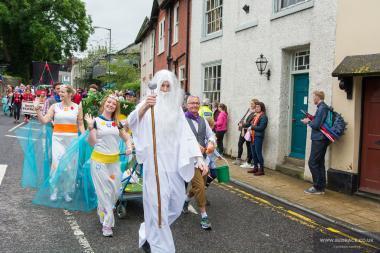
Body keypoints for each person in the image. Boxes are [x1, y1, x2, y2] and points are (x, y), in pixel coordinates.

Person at [128, 70, 207, 253]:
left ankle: (148, 231)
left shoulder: (176, 109)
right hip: (154, 164)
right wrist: (145, 108)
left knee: (177, 204)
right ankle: (161, 248)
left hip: (173, 164)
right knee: (158, 206)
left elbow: (186, 136)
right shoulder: (147, 104)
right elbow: (131, 123)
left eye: (167, 86)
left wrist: (198, 158)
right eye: (162, 85)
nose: (164, 89)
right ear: (156, 85)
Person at [85, 95, 133, 237]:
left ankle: (102, 208)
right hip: (99, 161)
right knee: (105, 191)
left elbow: (126, 137)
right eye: (109, 102)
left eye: (114, 103)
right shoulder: (96, 121)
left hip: (114, 162)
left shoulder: (116, 123)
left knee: (114, 191)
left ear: (115, 107)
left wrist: (129, 146)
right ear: (104, 103)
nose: (111, 104)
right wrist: (90, 127)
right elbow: (92, 142)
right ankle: (107, 224)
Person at [34, 85, 85, 202]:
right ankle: (55, 190)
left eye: (62, 92)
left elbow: (81, 124)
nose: (59, 93)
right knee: (56, 166)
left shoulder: (77, 107)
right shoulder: (54, 106)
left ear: (69, 94)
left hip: (72, 140)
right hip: (57, 139)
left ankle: (66, 191)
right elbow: (44, 121)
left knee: (69, 168)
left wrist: (83, 136)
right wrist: (37, 110)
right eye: (59, 92)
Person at [183, 95, 216, 231]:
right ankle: (204, 216)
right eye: (192, 103)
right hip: (189, 160)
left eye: (197, 103)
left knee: (198, 186)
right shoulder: (182, 120)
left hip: (202, 159)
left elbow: (211, 134)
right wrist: (196, 146)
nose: (195, 105)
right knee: (201, 187)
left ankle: (185, 201)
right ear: (187, 105)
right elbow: (183, 138)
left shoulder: (203, 120)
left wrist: (211, 143)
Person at [301, 90, 330, 195]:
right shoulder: (322, 108)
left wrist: (308, 121)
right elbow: (319, 122)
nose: (313, 99)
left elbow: (316, 125)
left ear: (318, 97)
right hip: (321, 139)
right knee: (319, 163)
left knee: (312, 162)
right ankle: (321, 187)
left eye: (314, 97)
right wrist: (311, 118)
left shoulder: (322, 108)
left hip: (319, 139)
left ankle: (317, 187)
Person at [236, 99, 259, 167]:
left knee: (248, 146)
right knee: (240, 143)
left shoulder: (255, 113)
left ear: (255, 104)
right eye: (250, 103)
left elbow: (250, 123)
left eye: (252, 103)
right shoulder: (249, 110)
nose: (251, 105)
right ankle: (238, 159)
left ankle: (248, 161)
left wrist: (242, 125)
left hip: (248, 131)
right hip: (243, 130)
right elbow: (244, 118)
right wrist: (240, 122)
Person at [248, 102, 268, 176]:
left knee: (258, 153)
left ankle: (261, 170)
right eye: (256, 107)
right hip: (253, 136)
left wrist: (252, 127)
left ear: (261, 108)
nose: (256, 108)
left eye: (258, 107)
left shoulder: (264, 117)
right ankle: (255, 167)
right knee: (253, 153)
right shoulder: (255, 116)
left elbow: (261, 128)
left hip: (258, 136)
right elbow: (250, 124)